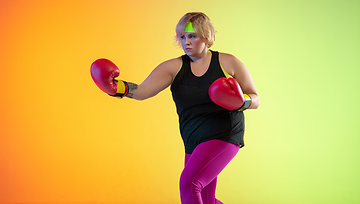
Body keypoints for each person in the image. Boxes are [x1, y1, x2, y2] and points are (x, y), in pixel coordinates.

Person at [90, 12, 259, 204]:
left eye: (191, 36)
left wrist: (241, 102)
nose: (186, 41)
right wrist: (116, 87)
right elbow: (144, 91)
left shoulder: (228, 63)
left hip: (223, 135)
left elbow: (255, 98)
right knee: (205, 198)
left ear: (206, 35)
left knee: (189, 184)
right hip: (193, 140)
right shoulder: (174, 67)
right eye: (182, 37)